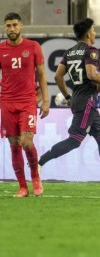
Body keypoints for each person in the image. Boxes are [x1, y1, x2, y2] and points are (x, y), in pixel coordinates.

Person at [39, 19, 100, 189]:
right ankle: (39, 163)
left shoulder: (70, 52)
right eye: (94, 30)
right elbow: (91, 74)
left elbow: (58, 76)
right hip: (87, 100)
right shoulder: (91, 50)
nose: (95, 33)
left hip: (80, 99)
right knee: (74, 140)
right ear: (88, 33)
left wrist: (67, 96)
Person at [0, 12, 50, 197]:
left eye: (14, 25)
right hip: (6, 102)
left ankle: (36, 178)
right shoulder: (1, 49)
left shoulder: (33, 46)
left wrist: (45, 101)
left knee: (27, 142)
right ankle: (22, 187)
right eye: (8, 26)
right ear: (5, 28)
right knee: (14, 145)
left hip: (27, 101)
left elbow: (43, 75)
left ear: (21, 26)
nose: (11, 29)